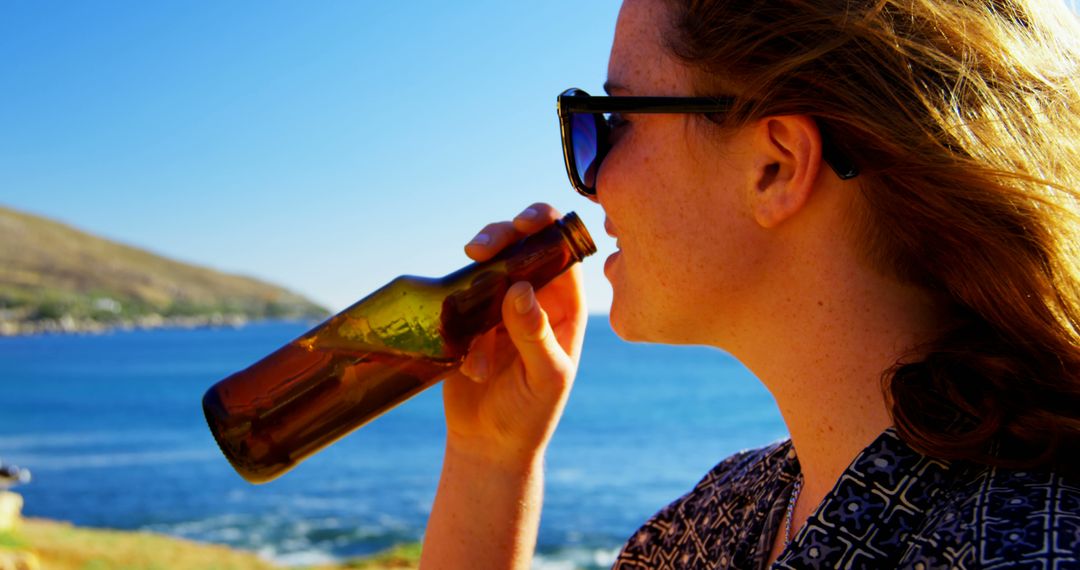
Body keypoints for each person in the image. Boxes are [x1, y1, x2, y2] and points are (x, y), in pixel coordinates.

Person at [419, 0, 1080, 567]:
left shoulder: (1023, 545)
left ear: (775, 167)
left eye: (614, 120)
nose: (591, 179)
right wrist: (491, 458)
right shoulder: (719, 522)